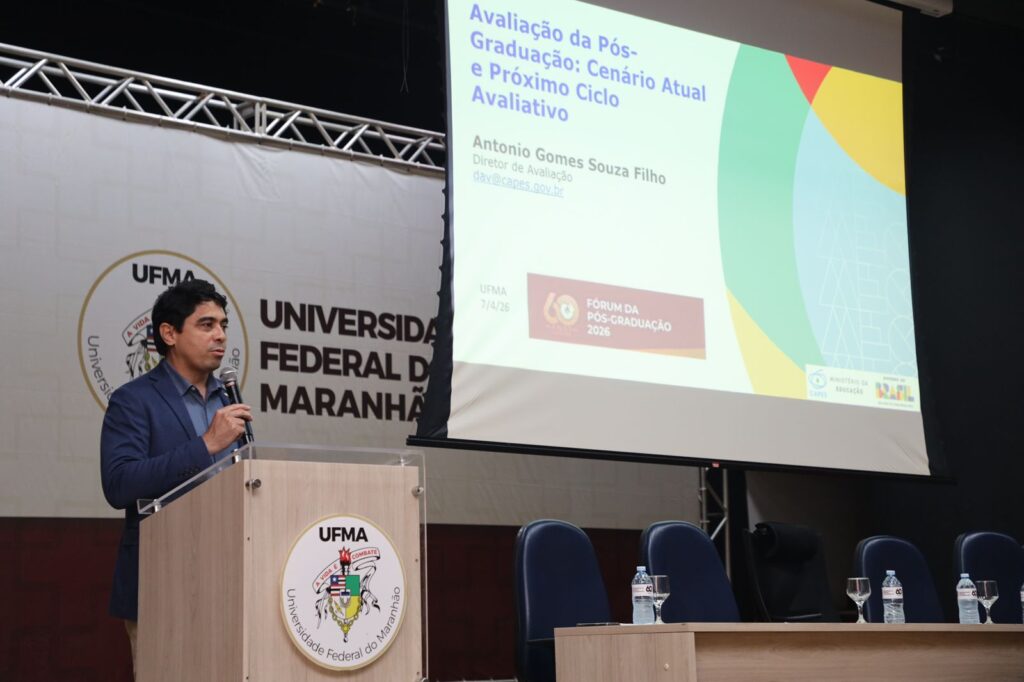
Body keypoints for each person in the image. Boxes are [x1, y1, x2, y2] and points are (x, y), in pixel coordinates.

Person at [100, 279, 252, 676]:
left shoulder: (228, 397)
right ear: (169, 333)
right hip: (161, 584)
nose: (220, 335)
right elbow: (120, 484)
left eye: (223, 325)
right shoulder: (133, 400)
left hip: (230, 581)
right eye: (206, 325)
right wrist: (206, 444)